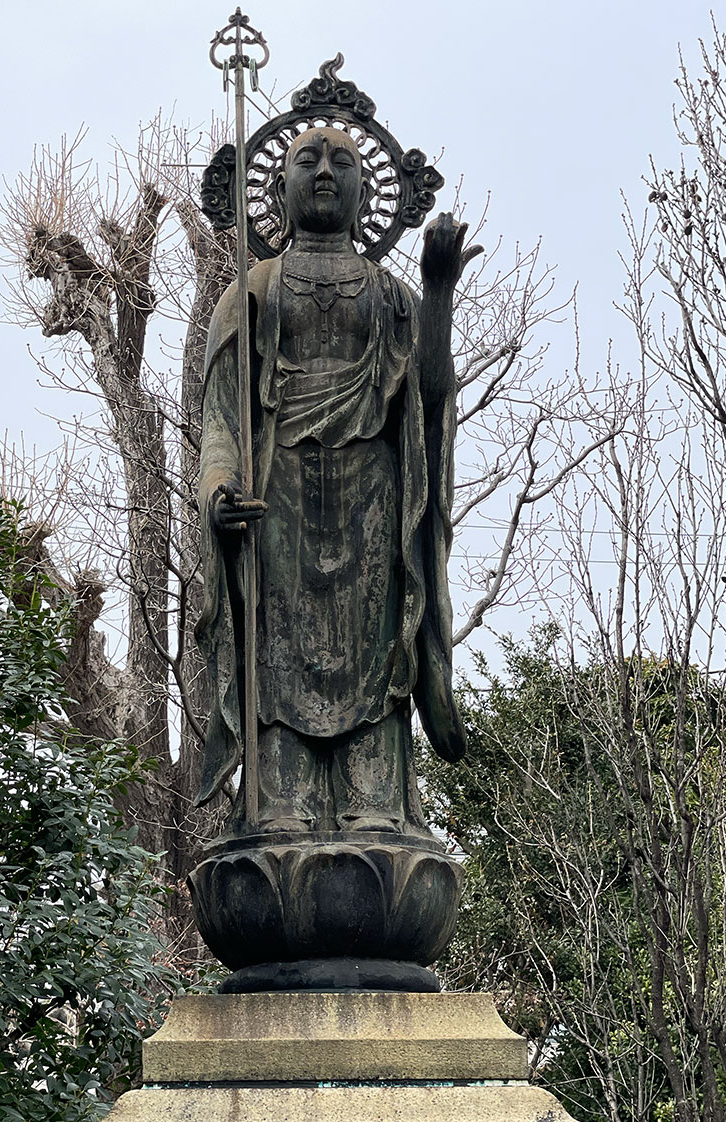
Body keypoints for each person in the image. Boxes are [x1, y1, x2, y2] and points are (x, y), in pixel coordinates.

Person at [196, 126, 469, 833]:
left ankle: (373, 802)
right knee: (277, 662)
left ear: (366, 191)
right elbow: (223, 419)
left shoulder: (393, 296)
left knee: (379, 658)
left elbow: (431, 398)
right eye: (307, 160)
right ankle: (280, 800)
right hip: (276, 503)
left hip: (373, 505)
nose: (324, 170)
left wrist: (438, 292)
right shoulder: (250, 294)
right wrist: (220, 492)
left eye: (342, 161)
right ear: (277, 188)